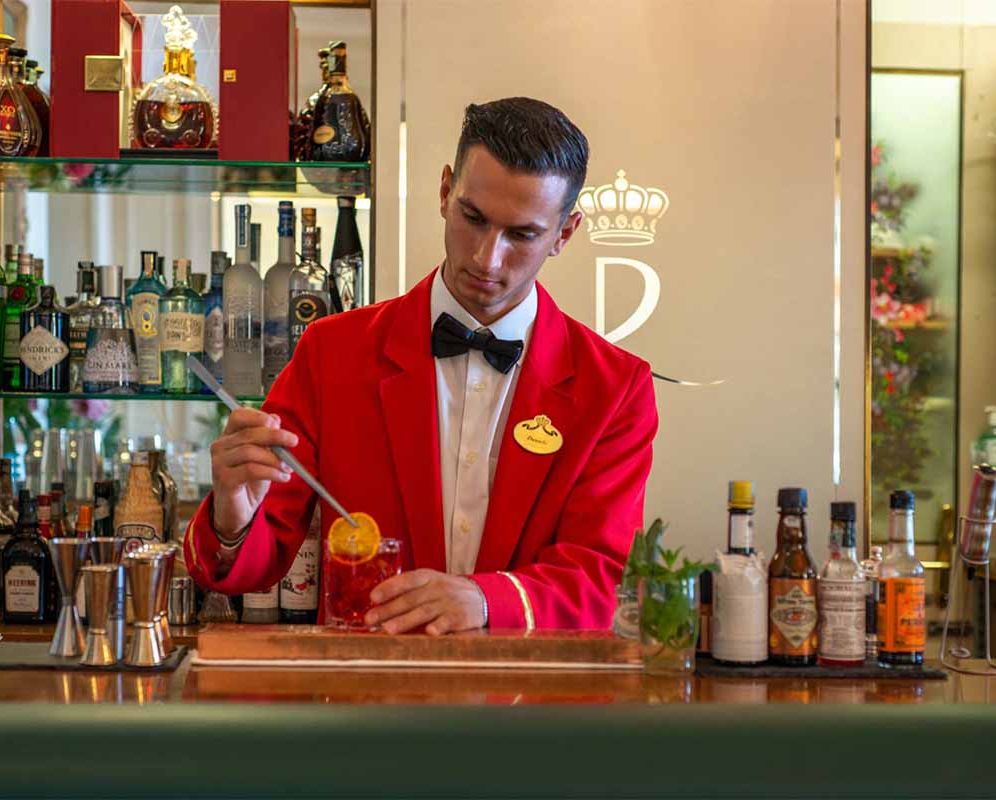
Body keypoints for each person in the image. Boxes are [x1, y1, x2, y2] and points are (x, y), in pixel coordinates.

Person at [184, 97, 658, 633]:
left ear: (564, 234)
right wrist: (232, 512)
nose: (486, 258)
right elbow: (256, 558)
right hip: (370, 701)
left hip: (532, 707)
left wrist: (484, 601)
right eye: (472, 218)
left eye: (521, 235)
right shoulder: (330, 352)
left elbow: (599, 576)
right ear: (444, 192)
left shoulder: (616, 387)